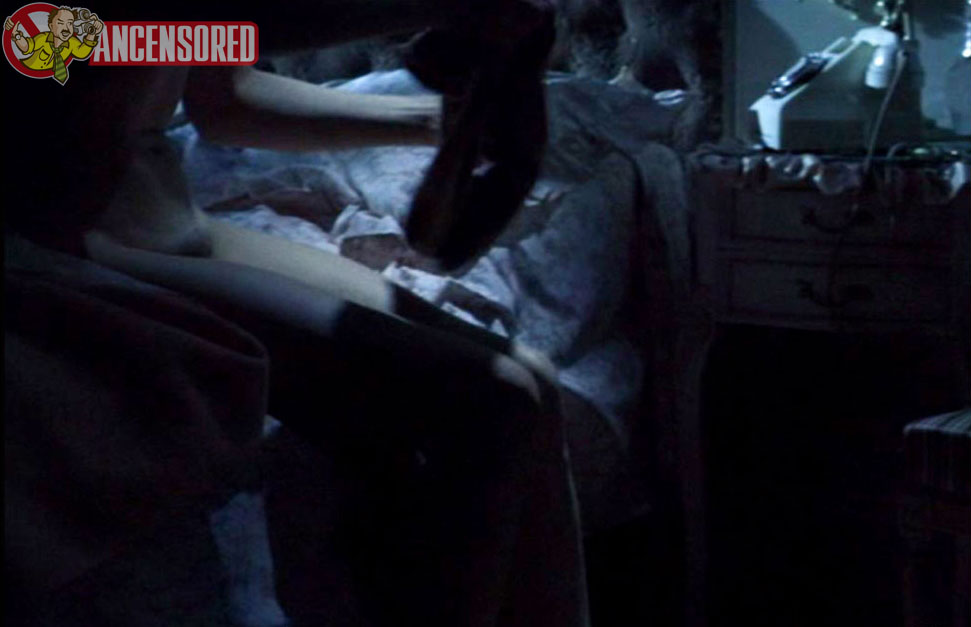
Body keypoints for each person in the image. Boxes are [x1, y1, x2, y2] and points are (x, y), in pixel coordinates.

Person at [4, 1, 589, 625]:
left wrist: (436, 122)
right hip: (78, 247)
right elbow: (94, 42)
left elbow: (228, 104)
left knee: (534, 382)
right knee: (494, 401)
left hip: (177, 223)